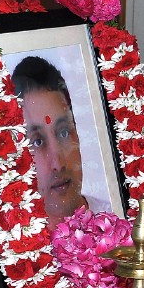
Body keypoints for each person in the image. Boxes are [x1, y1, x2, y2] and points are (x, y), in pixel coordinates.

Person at [12, 55, 88, 229]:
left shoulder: (118, 216)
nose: (58, 163)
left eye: (63, 132)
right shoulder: (12, 245)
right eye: (37, 142)